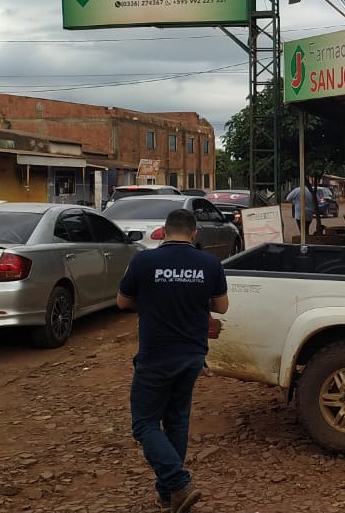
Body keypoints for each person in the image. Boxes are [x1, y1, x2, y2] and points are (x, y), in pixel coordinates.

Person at [117, 208, 229, 513]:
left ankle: (179, 483)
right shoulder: (209, 263)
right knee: (176, 422)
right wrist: (192, 295)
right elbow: (221, 306)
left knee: (144, 423)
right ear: (194, 234)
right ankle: (168, 497)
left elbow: (122, 301)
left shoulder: (144, 261)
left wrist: (154, 294)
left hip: (155, 356)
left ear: (164, 232)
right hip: (192, 355)